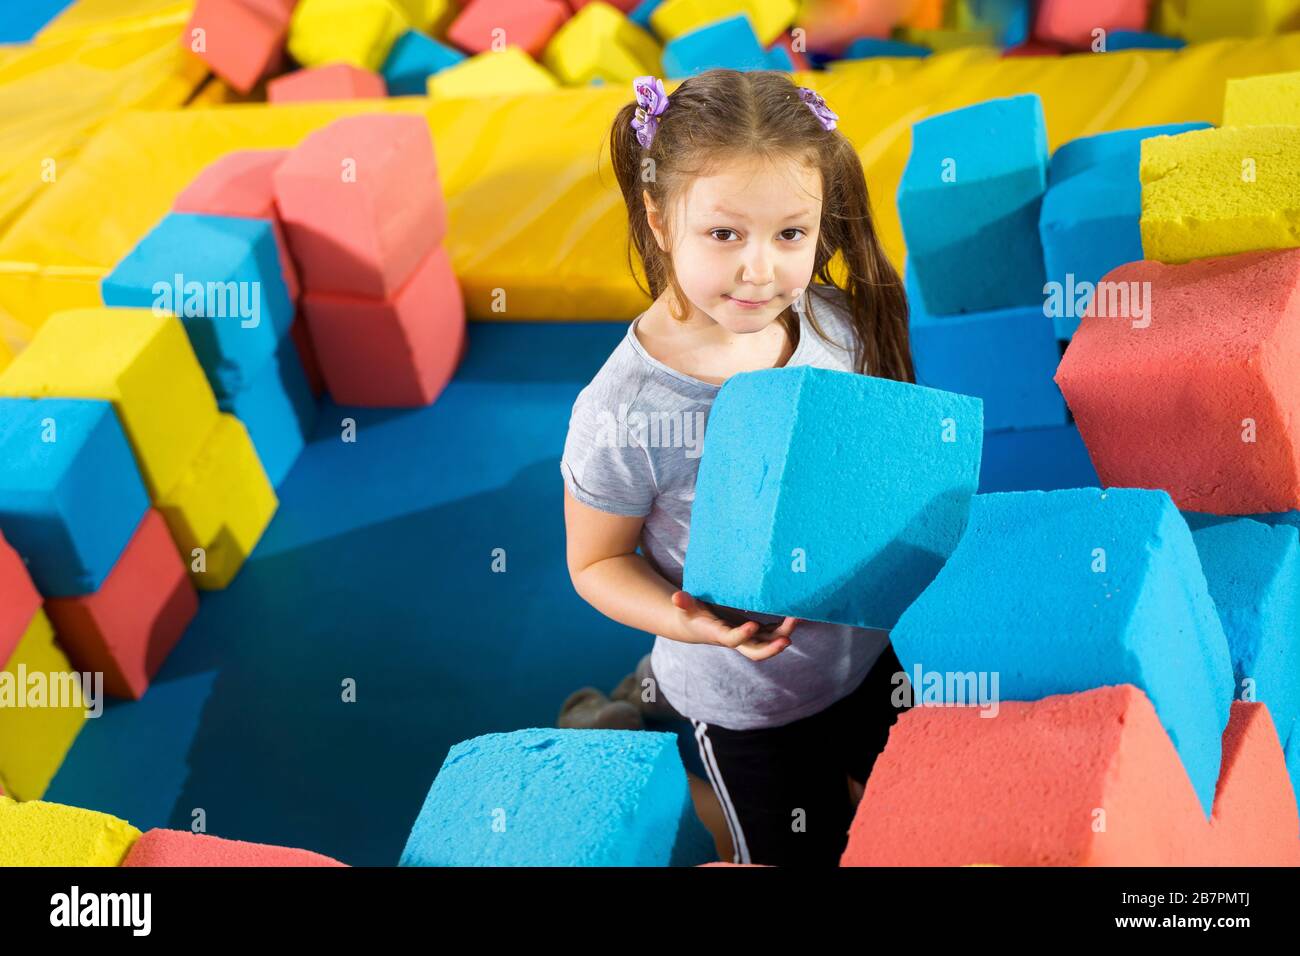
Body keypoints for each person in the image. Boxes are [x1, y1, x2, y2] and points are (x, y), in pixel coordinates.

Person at [559, 69, 914, 867]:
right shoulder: (624, 411)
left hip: (867, 656)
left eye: (791, 234)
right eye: (725, 235)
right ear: (658, 219)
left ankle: (632, 697)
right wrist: (685, 622)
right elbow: (597, 559)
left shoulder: (834, 324)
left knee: (920, 817)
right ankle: (618, 726)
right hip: (747, 703)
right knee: (795, 849)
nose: (761, 271)